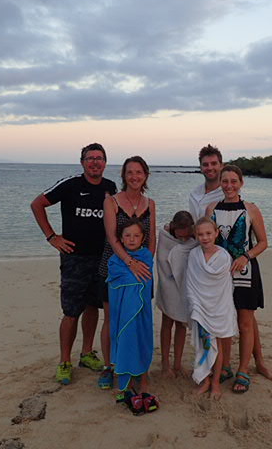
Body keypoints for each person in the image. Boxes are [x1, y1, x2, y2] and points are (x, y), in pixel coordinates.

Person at [30, 143, 117, 385]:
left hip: (102, 258)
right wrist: (52, 237)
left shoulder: (110, 187)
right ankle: (64, 362)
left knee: (93, 307)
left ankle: (87, 353)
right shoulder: (70, 185)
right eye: (90, 158)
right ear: (82, 162)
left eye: (99, 158)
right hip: (74, 258)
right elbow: (37, 204)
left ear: (105, 163)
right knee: (71, 312)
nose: (95, 162)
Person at [205, 164, 272, 394]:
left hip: (245, 272)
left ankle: (244, 370)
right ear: (220, 183)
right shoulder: (212, 208)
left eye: (233, 181)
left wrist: (246, 256)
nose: (229, 186)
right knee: (223, 322)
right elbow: (206, 239)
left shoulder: (251, 209)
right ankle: (225, 366)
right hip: (220, 274)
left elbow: (263, 243)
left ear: (241, 183)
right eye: (225, 181)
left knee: (245, 323)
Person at [97, 156, 157, 390]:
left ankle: (137, 366)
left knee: (139, 319)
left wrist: (145, 264)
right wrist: (130, 263)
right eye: (130, 172)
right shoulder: (111, 201)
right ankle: (110, 366)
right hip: (115, 268)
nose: (134, 177)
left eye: (139, 172)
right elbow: (112, 238)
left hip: (142, 271)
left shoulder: (150, 203)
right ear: (123, 175)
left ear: (146, 175)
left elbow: (151, 239)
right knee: (112, 318)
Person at [185, 217, 237, 400]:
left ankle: (215, 383)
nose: (205, 237)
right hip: (200, 307)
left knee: (218, 347)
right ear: (195, 235)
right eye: (200, 234)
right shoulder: (194, 255)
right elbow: (191, 282)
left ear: (216, 233)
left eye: (208, 233)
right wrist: (195, 304)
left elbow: (223, 287)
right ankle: (205, 380)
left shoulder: (224, 256)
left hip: (219, 308)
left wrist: (216, 305)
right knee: (204, 345)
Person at [107, 218, 155, 400]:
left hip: (141, 311)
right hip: (122, 312)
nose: (132, 239)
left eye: (136, 235)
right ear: (120, 238)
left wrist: (132, 276)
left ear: (143, 238)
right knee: (124, 340)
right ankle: (125, 383)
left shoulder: (146, 257)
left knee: (142, 340)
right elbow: (116, 283)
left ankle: (143, 381)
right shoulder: (114, 260)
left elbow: (145, 281)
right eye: (127, 235)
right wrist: (131, 274)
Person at [156, 210, 198, 378]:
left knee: (181, 324)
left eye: (186, 234)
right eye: (180, 234)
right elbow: (161, 260)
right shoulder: (165, 236)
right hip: (167, 284)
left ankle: (178, 363)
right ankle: (165, 363)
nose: (183, 238)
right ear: (173, 226)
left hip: (185, 286)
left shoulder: (194, 240)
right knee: (167, 322)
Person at [189, 144, 224, 220]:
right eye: (205, 165)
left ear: (221, 166)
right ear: (201, 168)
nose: (210, 168)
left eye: (214, 163)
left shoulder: (227, 194)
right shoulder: (194, 194)